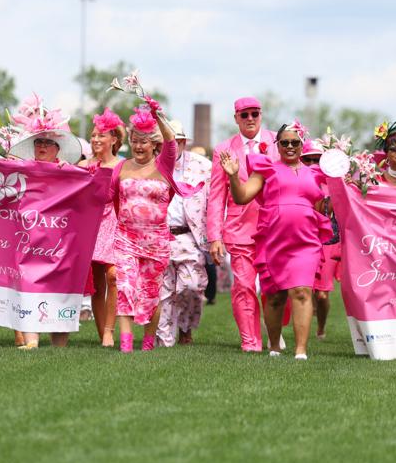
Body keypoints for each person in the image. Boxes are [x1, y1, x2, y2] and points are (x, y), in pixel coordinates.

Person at [220, 122, 332, 360]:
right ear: (277, 145)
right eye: (285, 142)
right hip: (274, 240)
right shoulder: (265, 169)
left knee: (302, 291)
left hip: (306, 241)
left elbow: (323, 207)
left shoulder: (315, 173)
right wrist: (232, 177)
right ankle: (274, 346)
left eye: (295, 142)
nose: (290, 146)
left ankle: (301, 350)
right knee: (275, 296)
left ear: (302, 145)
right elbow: (241, 198)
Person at [111, 104, 201, 353]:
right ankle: (126, 345)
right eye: (135, 140)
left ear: (154, 144)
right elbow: (113, 199)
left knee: (151, 293)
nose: (139, 146)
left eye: (144, 142)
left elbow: (171, 140)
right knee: (126, 288)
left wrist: (156, 114)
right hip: (126, 239)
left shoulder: (164, 165)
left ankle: (148, 344)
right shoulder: (121, 167)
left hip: (156, 241)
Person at [7, 104, 83, 350]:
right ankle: (32, 342)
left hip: (60, 245)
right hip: (28, 241)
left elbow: (91, 186)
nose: (41, 146)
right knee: (29, 285)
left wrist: (69, 172)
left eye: (48, 143)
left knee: (60, 289)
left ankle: (58, 346)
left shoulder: (70, 173)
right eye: (38, 141)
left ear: (58, 149)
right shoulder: (22, 169)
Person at [207, 97, 278, 352]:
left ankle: (274, 333)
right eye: (244, 114)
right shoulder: (224, 149)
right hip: (239, 230)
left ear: (261, 114)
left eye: (254, 114)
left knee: (276, 288)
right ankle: (251, 341)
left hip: (275, 229)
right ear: (235, 118)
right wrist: (214, 236)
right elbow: (216, 196)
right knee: (244, 286)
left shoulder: (279, 142)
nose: (250, 119)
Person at [156, 120, 211, 346]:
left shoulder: (203, 166)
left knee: (191, 286)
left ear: (182, 142)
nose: (170, 145)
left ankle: (186, 326)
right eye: (164, 142)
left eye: (175, 141)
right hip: (159, 235)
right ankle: (164, 340)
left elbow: (215, 202)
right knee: (164, 292)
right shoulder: (151, 165)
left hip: (190, 236)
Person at [78, 107, 126, 347]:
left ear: (114, 139)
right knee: (96, 283)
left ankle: (109, 331)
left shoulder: (123, 166)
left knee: (113, 277)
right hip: (91, 225)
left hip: (116, 223)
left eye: (101, 135)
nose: (96, 139)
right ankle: (102, 335)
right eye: (93, 135)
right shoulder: (83, 166)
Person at [301, 140, 339, 340]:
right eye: (309, 159)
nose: (313, 163)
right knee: (301, 289)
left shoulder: (334, 183)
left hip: (329, 242)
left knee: (322, 294)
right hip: (302, 240)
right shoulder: (295, 180)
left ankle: (321, 328)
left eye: (318, 159)